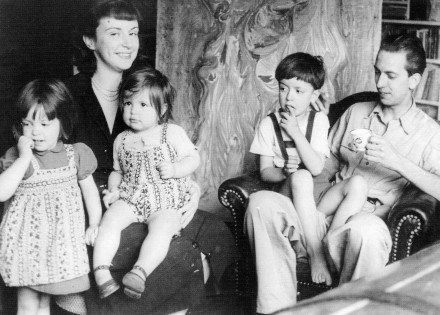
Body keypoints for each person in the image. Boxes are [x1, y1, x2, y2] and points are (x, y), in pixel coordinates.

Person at [245, 33, 440, 314]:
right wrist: (312, 128)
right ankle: (277, 310)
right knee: (261, 203)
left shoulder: (429, 133)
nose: (379, 83)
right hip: (325, 210)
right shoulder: (356, 112)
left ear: (414, 80)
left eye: (390, 75)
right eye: (377, 72)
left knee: (367, 232)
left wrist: (398, 161)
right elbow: (323, 165)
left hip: (366, 219)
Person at [64, 1, 238, 314]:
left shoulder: (145, 91)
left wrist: (190, 186)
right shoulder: (69, 93)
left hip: (152, 193)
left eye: (132, 33)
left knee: (214, 229)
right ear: (90, 41)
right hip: (95, 200)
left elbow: (174, 149)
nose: (127, 42)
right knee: (175, 248)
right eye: (115, 33)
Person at [249, 52, 368, 288]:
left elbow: (316, 166)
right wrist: (283, 173)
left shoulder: (319, 121)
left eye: (298, 91)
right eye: (284, 89)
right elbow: (264, 172)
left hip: (319, 200)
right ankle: (316, 255)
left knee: (358, 183)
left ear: (314, 95)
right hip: (290, 198)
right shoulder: (268, 124)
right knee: (301, 176)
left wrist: (294, 132)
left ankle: (329, 245)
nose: (289, 97)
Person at [93, 66, 201, 299]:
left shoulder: (170, 132)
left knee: (163, 228)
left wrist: (175, 169)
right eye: (128, 103)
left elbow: (193, 158)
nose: (133, 111)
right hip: (132, 197)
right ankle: (101, 273)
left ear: (161, 109)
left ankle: (140, 272)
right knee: (110, 220)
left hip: (165, 201)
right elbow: (117, 171)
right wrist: (113, 190)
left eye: (143, 105)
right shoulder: (121, 140)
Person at [0, 79, 102, 315]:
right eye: (27, 124)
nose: (35, 132)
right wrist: (24, 157)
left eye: (45, 123)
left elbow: (90, 193)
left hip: (60, 247)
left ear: (63, 122)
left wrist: (95, 222)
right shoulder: (18, 157)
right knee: (28, 305)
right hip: (27, 246)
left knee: (45, 305)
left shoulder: (76, 154)